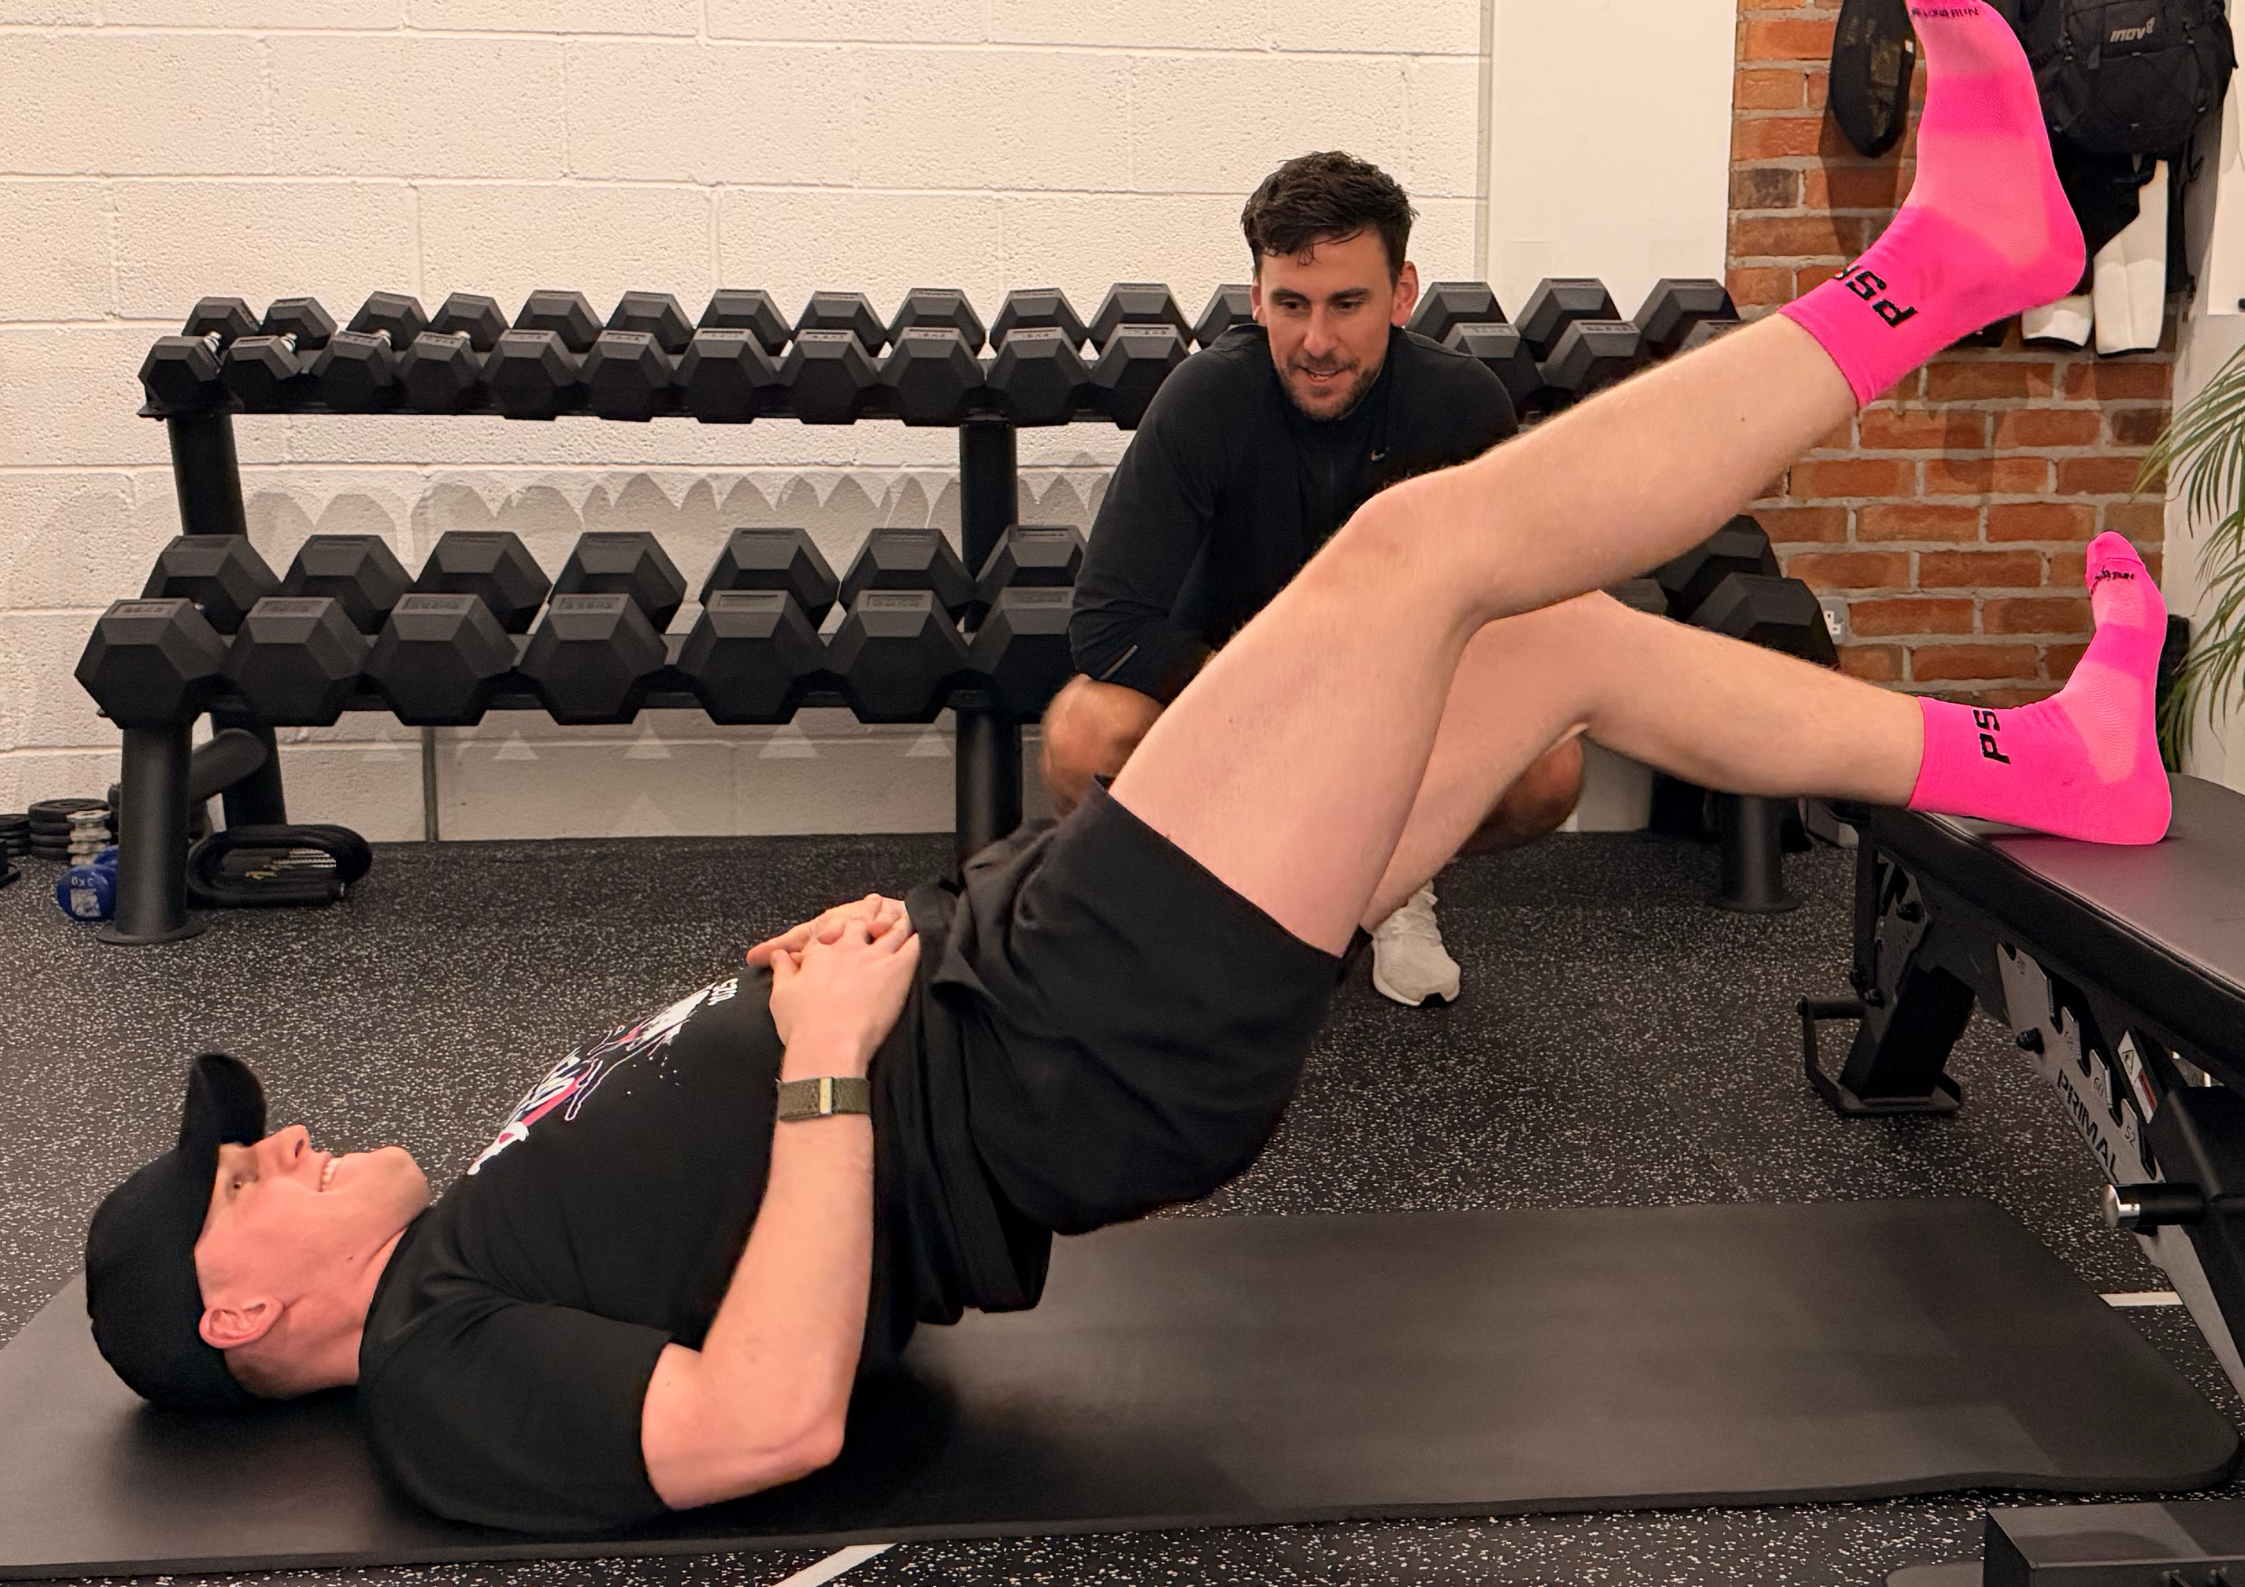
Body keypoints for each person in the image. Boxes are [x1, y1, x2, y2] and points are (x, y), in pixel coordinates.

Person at [88, 0, 2152, 1537]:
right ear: (238, 1304)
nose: (274, 1143)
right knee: (1420, 551)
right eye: (237, 1179)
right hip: (1073, 1028)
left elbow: (743, 1216)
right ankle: (1950, 263)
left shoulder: (471, 1229)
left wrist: (807, 987)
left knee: (1558, 644)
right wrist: (818, 1056)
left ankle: (2039, 756)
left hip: (1041, 969)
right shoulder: (442, 1376)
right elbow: (761, 1421)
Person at [1045, 150, 1583, 1007]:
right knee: (1083, 730)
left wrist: (1396, 720)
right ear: (1256, 295)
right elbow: (1108, 625)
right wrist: (1282, 704)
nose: (1316, 341)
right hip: (1231, 709)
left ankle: (1390, 882)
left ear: (1402, 294)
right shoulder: (1203, 401)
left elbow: (1512, 618)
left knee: (1549, 772)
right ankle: (1215, 898)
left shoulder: (1462, 407)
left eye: (1347, 304)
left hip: (1393, 719)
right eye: (1290, 305)